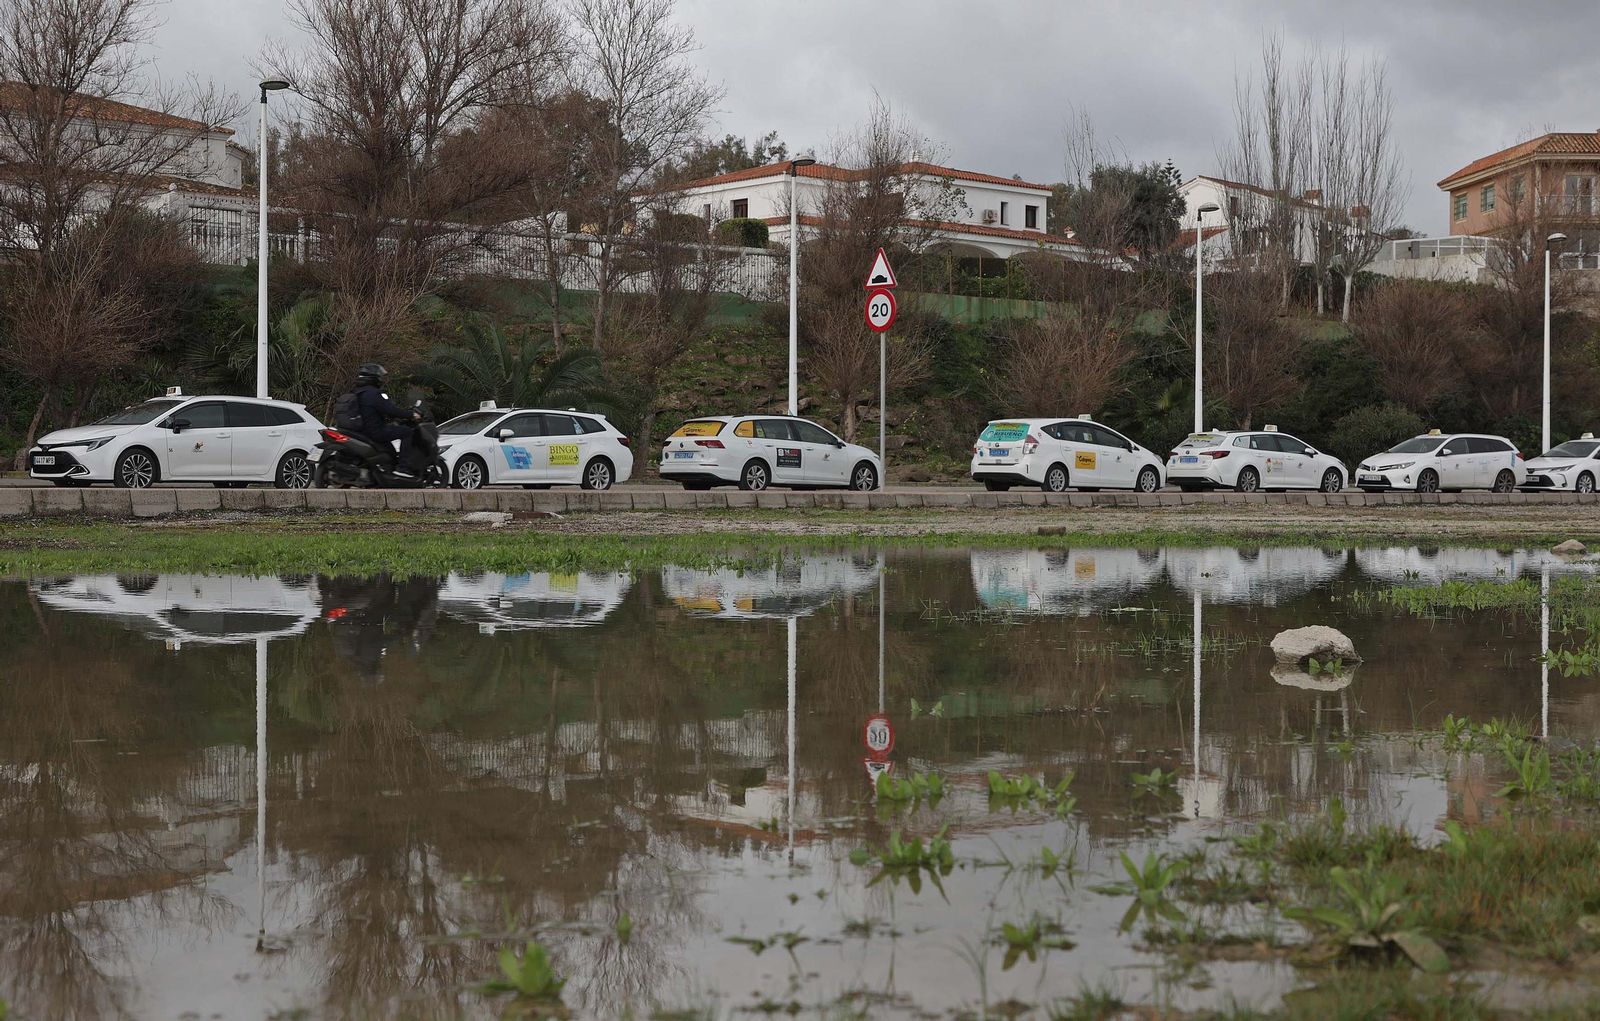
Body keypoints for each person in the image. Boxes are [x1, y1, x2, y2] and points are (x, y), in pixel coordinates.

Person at [353, 363, 420, 472]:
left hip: (363, 430)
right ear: (373, 378)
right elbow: (390, 410)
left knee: (390, 446)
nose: (381, 379)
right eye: (379, 377)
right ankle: (403, 468)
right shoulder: (373, 393)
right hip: (375, 431)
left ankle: (386, 467)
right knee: (407, 432)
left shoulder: (358, 392)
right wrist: (411, 414)